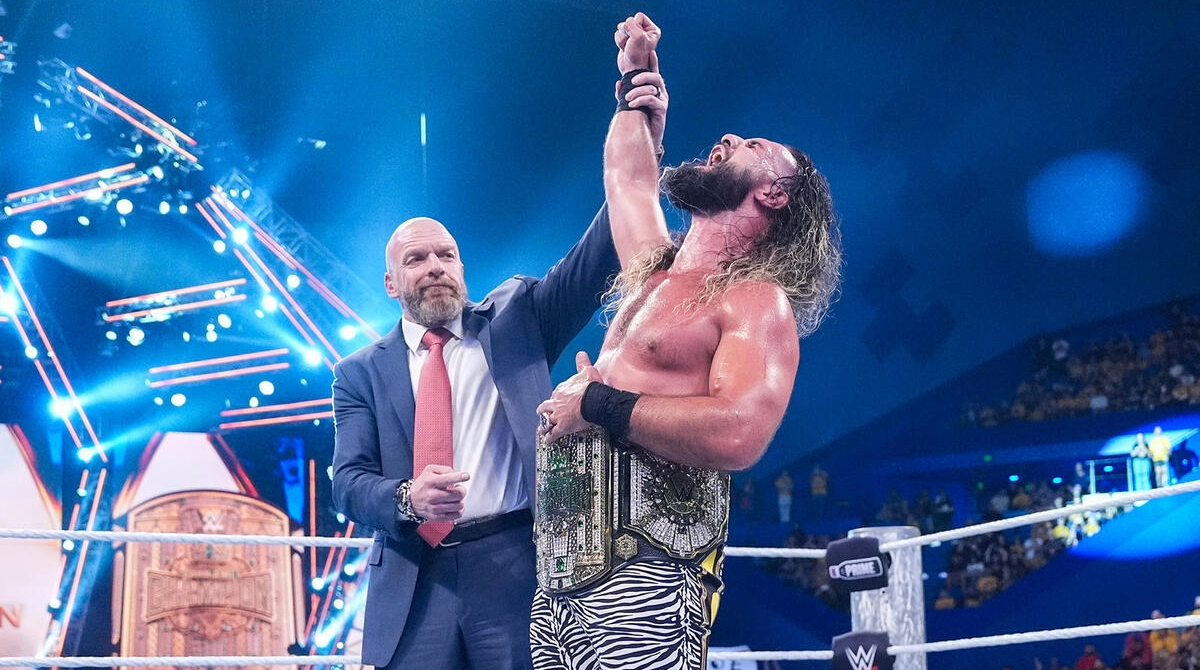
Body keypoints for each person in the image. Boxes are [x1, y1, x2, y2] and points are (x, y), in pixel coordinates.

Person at [530, 12, 842, 669]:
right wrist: (636, 83)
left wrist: (596, 404)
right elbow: (628, 181)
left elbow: (739, 433)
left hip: (649, 573)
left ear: (774, 193)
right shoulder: (656, 271)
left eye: (752, 145)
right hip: (563, 570)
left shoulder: (754, 300)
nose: (728, 137)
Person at [329, 130, 647, 665]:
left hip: (514, 564)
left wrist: (637, 145)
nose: (435, 265)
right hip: (414, 576)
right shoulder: (358, 373)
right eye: (416, 259)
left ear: (461, 268)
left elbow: (594, 257)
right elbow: (347, 484)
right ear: (391, 284)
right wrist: (408, 498)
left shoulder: (516, 321)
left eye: (446, 255)